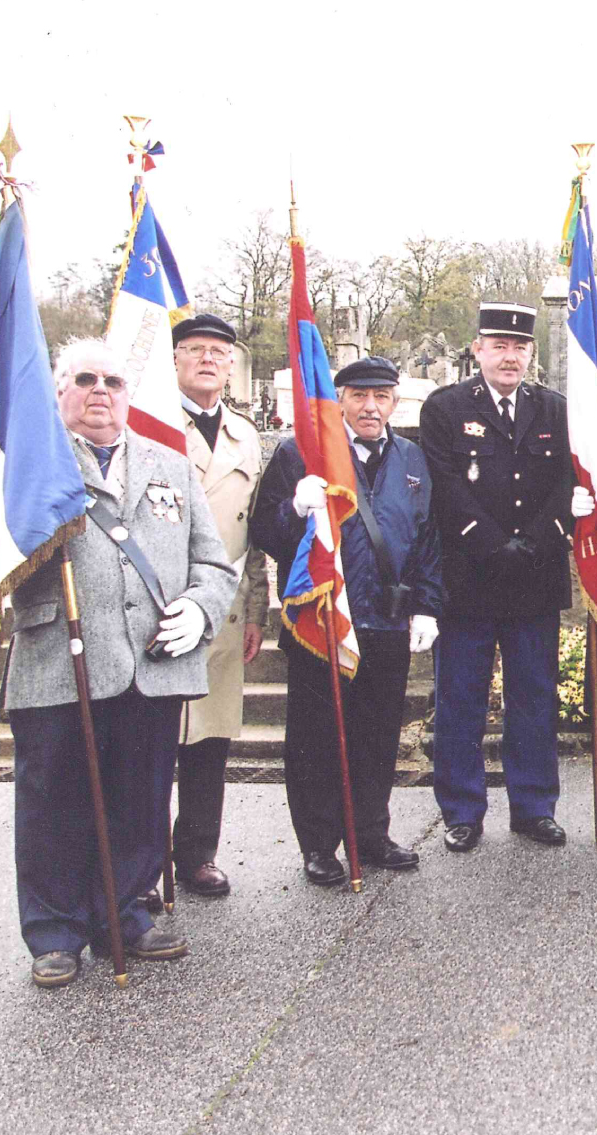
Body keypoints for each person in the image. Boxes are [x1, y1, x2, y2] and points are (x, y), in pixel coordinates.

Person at [6, 338, 237, 986]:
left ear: (130, 393)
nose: (101, 391)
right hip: (60, 657)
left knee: (139, 796)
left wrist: (199, 607)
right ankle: (54, 931)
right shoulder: (31, 468)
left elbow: (214, 563)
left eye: (112, 380)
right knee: (54, 802)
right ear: (60, 392)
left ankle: (127, 913)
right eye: (85, 379)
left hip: (150, 661)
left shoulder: (169, 464)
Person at [253, 356, 442, 885]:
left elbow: (427, 539)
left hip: (386, 620)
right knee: (315, 737)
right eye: (359, 396)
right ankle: (319, 843)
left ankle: (370, 832)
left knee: (376, 734)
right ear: (340, 400)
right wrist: (295, 507)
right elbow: (266, 532)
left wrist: (427, 604)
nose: (371, 407)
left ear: (395, 403)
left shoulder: (412, 459)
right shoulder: (302, 455)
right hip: (323, 622)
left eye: (382, 396)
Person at [420, 303, 572, 852]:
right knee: (461, 699)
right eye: (499, 345)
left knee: (533, 697)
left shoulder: (554, 409)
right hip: (469, 579)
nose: (510, 356)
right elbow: (444, 484)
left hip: (536, 574)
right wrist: (490, 543)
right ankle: (462, 810)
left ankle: (534, 807)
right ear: (478, 349)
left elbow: (567, 480)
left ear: (530, 354)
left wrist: (535, 538)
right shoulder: (445, 408)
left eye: (519, 347)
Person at [166, 312, 267, 898]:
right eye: (195, 349)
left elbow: (249, 536)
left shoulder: (245, 434)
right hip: (159, 606)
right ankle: (145, 861)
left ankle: (198, 853)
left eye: (218, 352)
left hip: (224, 610)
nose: (207, 359)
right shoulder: (148, 423)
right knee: (153, 743)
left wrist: (256, 611)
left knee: (211, 740)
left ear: (231, 365)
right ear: (175, 359)